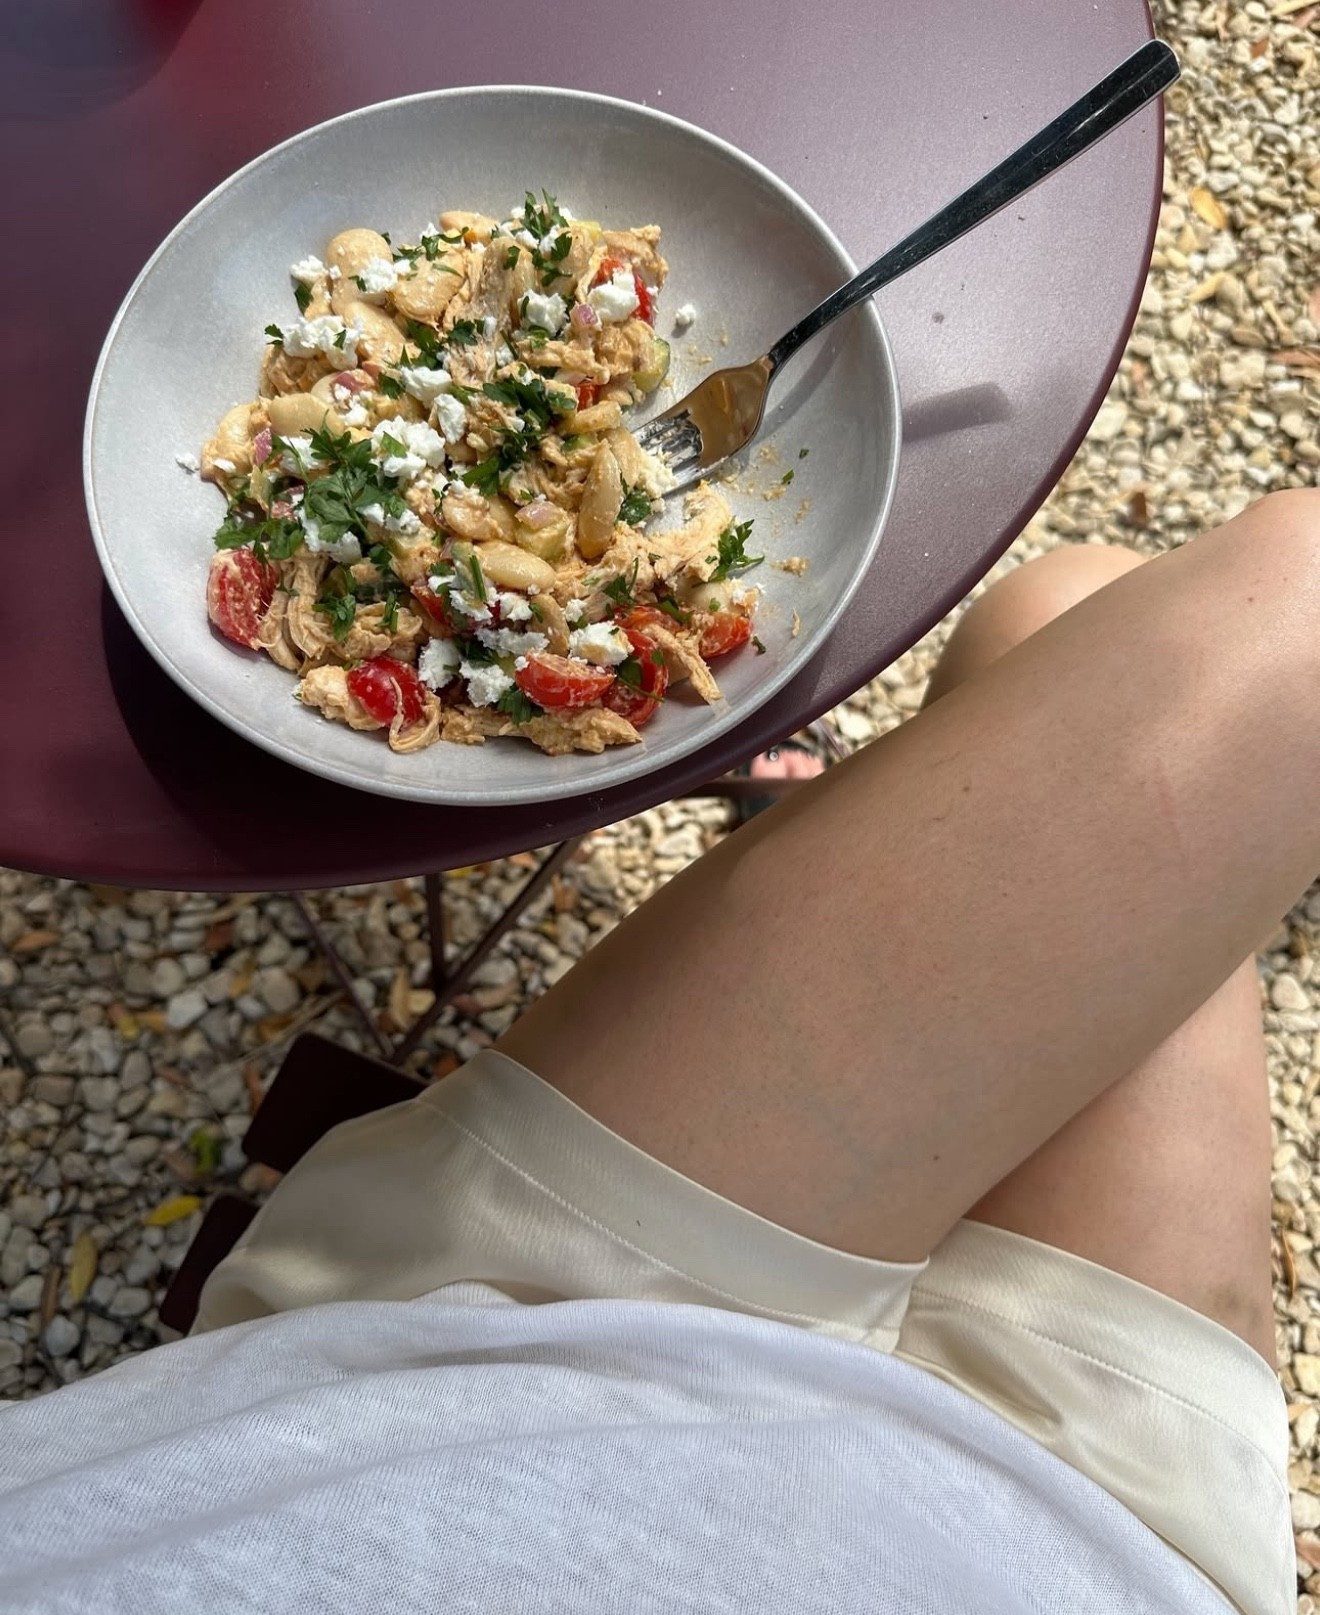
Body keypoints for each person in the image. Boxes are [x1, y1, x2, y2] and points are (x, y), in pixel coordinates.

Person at [1, 490, 1310, 1615]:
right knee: (1139, 600)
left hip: (482, 1366)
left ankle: (844, 822)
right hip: (1090, 1545)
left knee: (1093, 610)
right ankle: (845, 815)